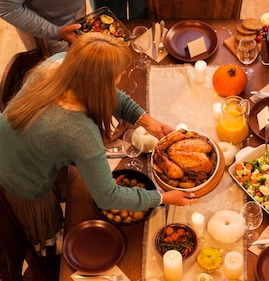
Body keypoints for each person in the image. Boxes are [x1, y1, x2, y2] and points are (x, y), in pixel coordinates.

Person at [0, 32, 197, 260]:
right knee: (47, 237)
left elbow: (110, 95)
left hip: (16, 146)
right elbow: (107, 197)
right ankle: (48, 263)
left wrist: (145, 120)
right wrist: (163, 198)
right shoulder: (78, 132)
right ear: (99, 83)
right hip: (21, 183)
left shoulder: (60, 62)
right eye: (118, 76)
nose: (120, 79)